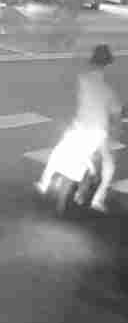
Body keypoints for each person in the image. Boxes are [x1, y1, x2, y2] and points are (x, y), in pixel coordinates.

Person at [39, 45, 122, 211]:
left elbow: (69, 97)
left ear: (92, 61)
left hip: (78, 127)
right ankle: (98, 199)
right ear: (107, 65)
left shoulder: (82, 80)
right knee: (109, 164)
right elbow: (116, 115)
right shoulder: (108, 91)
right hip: (98, 133)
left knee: (57, 152)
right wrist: (115, 130)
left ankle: (44, 182)